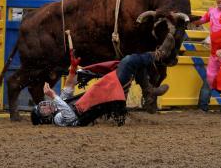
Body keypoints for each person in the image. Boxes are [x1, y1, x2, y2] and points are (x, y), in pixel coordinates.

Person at [31, 33, 175, 126]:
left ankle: (148, 90)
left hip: (104, 94)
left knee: (133, 61)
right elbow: (70, 116)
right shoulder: (57, 119)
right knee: (129, 61)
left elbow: (69, 86)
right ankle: (160, 55)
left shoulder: (59, 105)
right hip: (107, 95)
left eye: (43, 105)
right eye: (43, 110)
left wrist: (74, 68)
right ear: (45, 118)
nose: (45, 106)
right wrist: (54, 96)